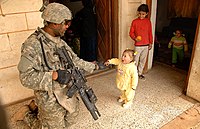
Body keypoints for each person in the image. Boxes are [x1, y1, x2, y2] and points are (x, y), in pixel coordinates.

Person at [17, 3, 98, 129]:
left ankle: (37, 110)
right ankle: (27, 114)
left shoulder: (59, 41)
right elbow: (25, 78)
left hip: (66, 91)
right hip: (49, 95)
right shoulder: (33, 45)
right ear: (54, 23)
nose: (67, 27)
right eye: (66, 23)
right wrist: (54, 75)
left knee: (71, 119)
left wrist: (95, 66)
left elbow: (74, 60)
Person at [129, 4, 153, 80]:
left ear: (146, 14)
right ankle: (133, 74)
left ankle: (139, 73)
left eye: (143, 14)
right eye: (139, 13)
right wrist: (135, 38)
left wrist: (150, 43)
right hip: (138, 46)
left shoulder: (148, 22)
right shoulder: (134, 22)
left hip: (146, 45)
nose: (141, 16)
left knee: (143, 60)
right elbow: (131, 33)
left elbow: (150, 33)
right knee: (135, 60)